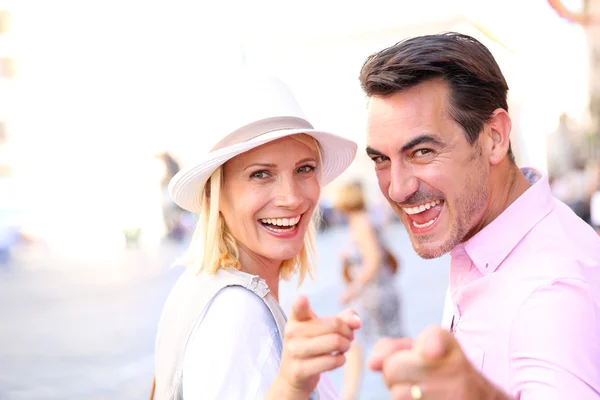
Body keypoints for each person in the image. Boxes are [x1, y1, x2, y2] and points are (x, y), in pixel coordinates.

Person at [358, 32, 600, 399]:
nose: (397, 188)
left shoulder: (549, 296)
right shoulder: (482, 234)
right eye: (381, 159)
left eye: (422, 152)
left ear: (494, 138)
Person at [152, 71, 359, 400]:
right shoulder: (237, 315)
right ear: (213, 196)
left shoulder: (205, 286)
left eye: (304, 168)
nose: (291, 197)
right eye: (261, 174)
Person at [333, 180, 403, 400]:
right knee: (362, 345)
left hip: (372, 296)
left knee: (388, 348)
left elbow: (372, 261)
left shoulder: (360, 223)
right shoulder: (366, 220)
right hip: (377, 293)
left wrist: (352, 289)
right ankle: (349, 396)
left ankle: (409, 390)